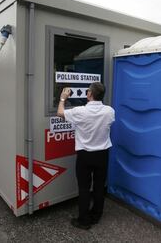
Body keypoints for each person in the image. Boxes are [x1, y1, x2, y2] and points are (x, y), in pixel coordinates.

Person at [57, 82, 115, 230]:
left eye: (88, 91)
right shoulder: (110, 111)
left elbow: (60, 113)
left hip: (85, 155)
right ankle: (96, 215)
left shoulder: (80, 111)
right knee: (99, 186)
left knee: (84, 188)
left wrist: (63, 98)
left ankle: (83, 221)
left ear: (89, 94)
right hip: (102, 154)